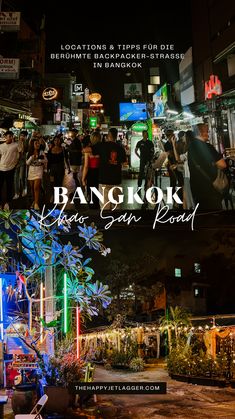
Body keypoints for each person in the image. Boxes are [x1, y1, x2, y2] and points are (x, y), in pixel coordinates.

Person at [188, 123, 226, 210]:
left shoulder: (190, 147)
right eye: (207, 132)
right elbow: (223, 165)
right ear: (202, 133)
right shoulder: (208, 147)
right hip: (210, 188)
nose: (208, 134)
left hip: (196, 188)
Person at [93, 128, 126, 210]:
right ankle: (116, 222)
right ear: (116, 136)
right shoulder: (121, 148)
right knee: (116, 206)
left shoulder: (102, 146)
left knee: (105, 207)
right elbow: (124, 163)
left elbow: (87, 150)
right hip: (116, 180)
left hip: (104, 180)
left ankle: (106, 222)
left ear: (108, 135)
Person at [171, 131, 195, 210]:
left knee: (189, 198)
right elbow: (186, 163)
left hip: (188, 176)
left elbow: (178, 158)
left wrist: (174, 145)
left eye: (184, 136)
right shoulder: (192, 150)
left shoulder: (189, 151)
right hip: (191, 176)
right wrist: (178, 165)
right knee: (187, 197)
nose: (182, 138)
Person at [0, 131, 20, 210]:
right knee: (0, 186)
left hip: (11, 169)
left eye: (11, 136)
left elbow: (21, 153)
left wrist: (16, 163)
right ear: (5, 137)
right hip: (1, 168)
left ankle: (7, 203)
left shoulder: (16, 145)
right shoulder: (1, 146)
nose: (10, 138)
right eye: (9, 136)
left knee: (9, 186)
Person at [26, 139, 47, 210]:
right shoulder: (29, 153)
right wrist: (32, 157)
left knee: (36, 187)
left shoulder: (41, 152)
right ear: (33, 145)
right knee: (32, 188)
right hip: (31, 171)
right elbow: (27, 163)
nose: (38, 145)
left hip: (39, 170)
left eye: (38, 143)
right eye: (36, 143)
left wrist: (39, 160)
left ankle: (36, 203)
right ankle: (34, 200)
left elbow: (46, 160)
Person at [82, 132, 101, 209]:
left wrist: (83, 178)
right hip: (100, 172)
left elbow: (86, 166)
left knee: (91, 193)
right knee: (99, 192)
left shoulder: (88, 151)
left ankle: (92, 210)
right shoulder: (101, 149)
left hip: (91, 173)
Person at [13, 130, 29, 199]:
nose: (22, 137)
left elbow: (26, 150)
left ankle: (24, 189)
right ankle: (16, 192)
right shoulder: (16, 142)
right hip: (16, 162)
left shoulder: (26, 143)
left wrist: (23, 142)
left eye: (24, 136)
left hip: (22, 162)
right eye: (21, 135)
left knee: (22, 177)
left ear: (26, 137)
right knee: (16, 178)